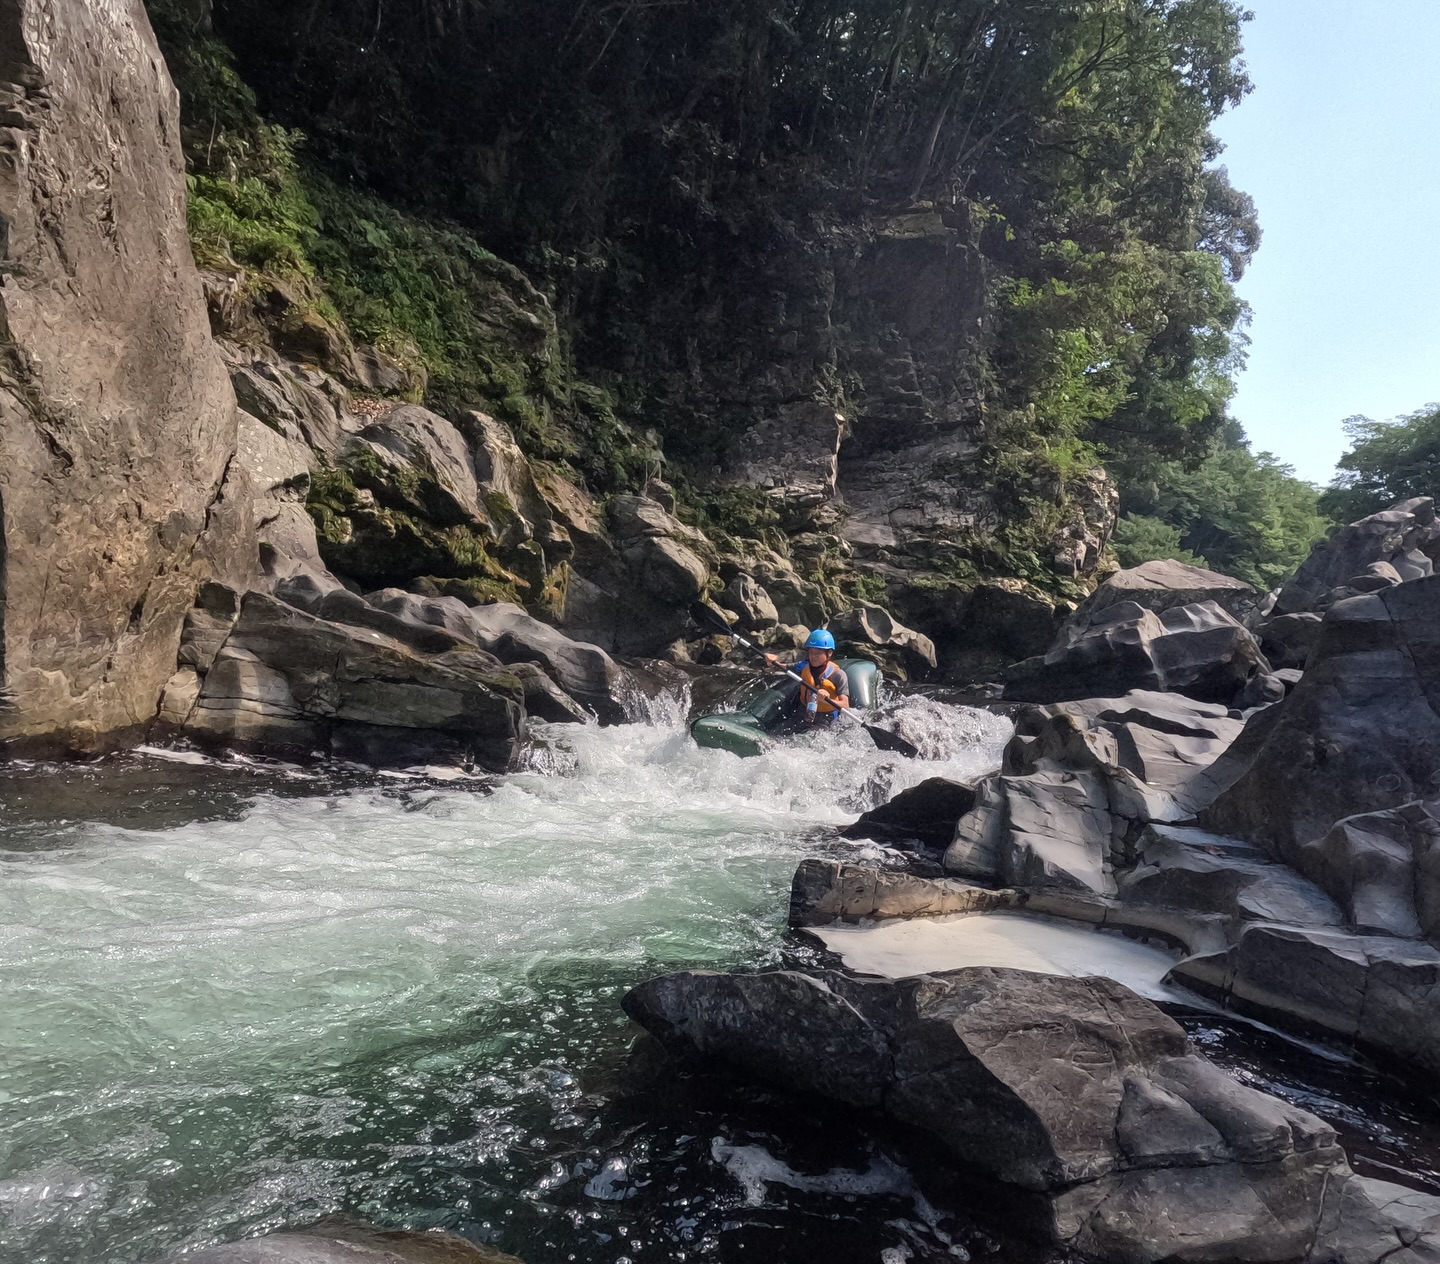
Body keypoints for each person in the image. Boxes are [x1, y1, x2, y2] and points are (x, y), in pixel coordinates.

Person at [765, 629, 850, 724]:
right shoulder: (804, 665)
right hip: (804, 712)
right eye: (811, 652)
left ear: (829, 653)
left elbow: (845, 705)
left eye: (818, 653)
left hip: (826, 719)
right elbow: (780, 666)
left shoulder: (838, 675)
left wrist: (827, 700)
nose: (813, 657)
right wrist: (772, 660)